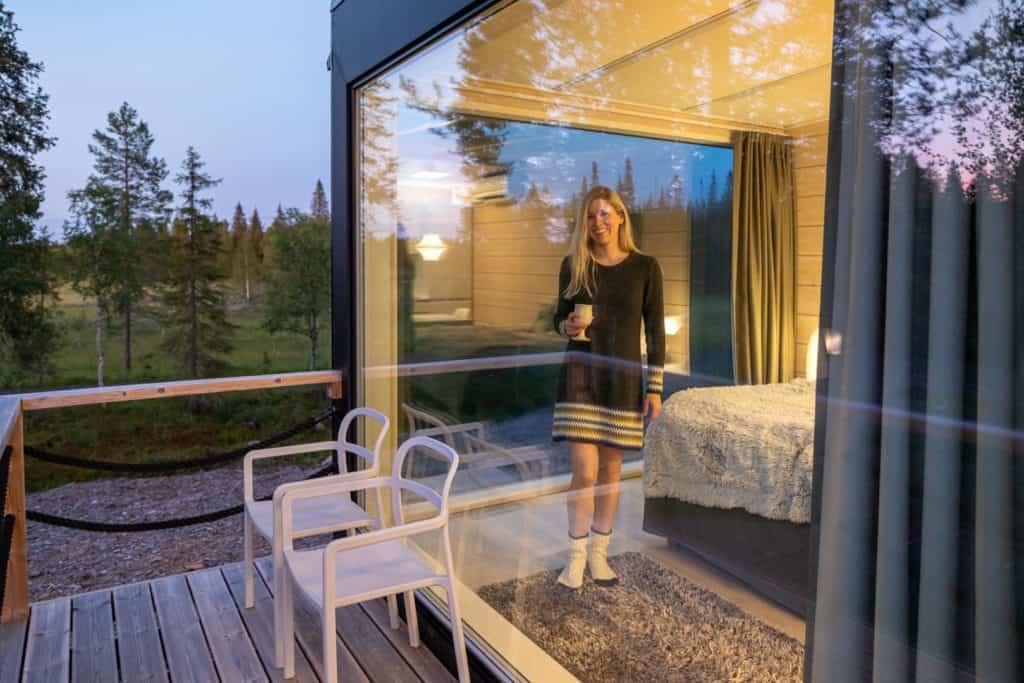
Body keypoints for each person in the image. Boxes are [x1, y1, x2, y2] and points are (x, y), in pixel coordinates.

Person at [552, 185, 665, 589]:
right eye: (590, 215)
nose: (598, 222)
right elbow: (558, 318)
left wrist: (653, 388)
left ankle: (599, 555)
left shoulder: (646, 267)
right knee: (585, 471)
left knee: (612, 470)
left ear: (619, 217)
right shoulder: (575, 265)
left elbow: (654, 331)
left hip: (623, 379)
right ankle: (575, 558)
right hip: (580, 377)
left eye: (605, 214)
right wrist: (567, 326)